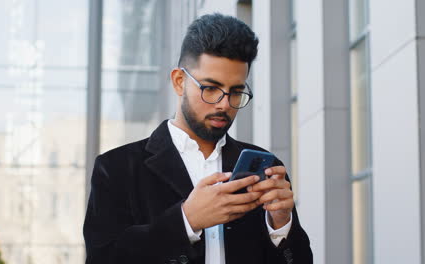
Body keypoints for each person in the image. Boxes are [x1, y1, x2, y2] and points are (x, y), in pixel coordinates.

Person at [83, 13, 312, 264]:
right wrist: (185, 221)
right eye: (211, 88)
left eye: (236, 92)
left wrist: (281, 225)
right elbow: (102, 258)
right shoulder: (116, 168)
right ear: (179, 81)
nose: (224, 104)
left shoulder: (264, 168)